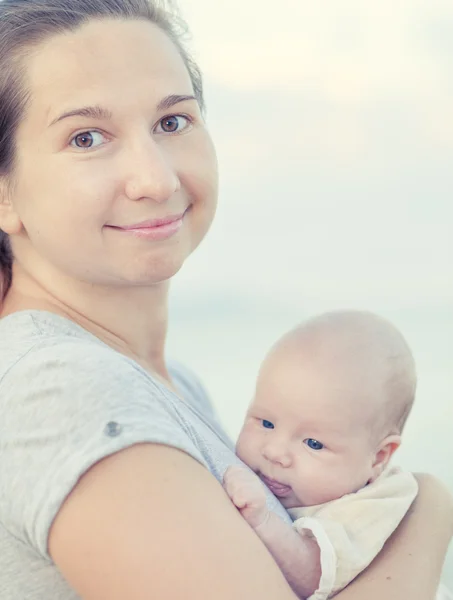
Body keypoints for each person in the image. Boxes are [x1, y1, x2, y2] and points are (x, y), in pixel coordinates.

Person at [0, 1, 451, 598]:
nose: (156, 179)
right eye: (88, 137)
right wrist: (426, 514)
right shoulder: (59, 388)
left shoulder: (172, 384)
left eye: (172, 122)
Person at [223, 310, 453, 599]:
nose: (275, 452)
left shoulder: (375, 505)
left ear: (378, 458)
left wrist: (262, 520)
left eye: (314, 444)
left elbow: (314, 576)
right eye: (266, 423)